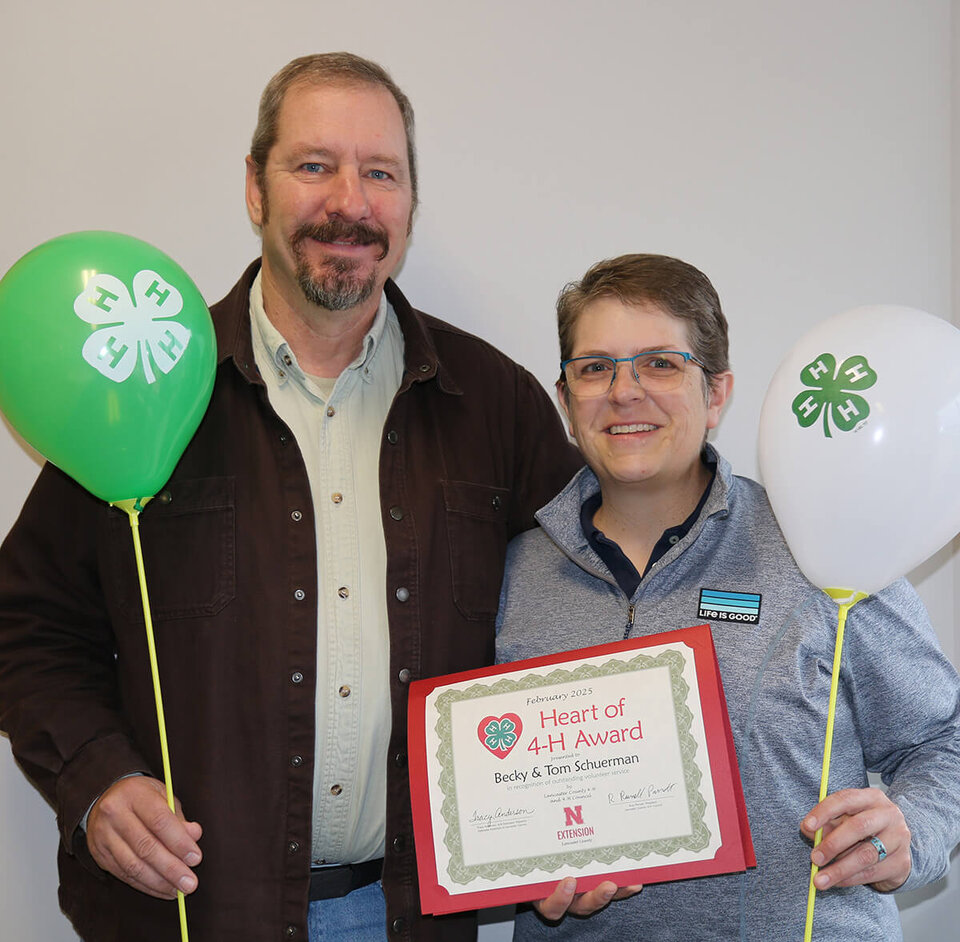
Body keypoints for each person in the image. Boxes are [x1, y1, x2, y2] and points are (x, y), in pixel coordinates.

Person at [0, 54, 581, 942]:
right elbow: (27, 622)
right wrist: (96, 779)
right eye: (313, 165)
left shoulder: (494, 404)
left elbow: (590, 607)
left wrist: (583, 811)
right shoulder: (146, 390)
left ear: (410, 202)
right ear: (254, 187)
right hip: (196, 916)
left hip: (410, 918)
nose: (349, 201)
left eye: (379, 172)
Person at [495, 253, 960, 940]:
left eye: (659, 362)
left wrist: (906, 833)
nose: (625, 392)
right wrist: (526, 879)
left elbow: (943, 741)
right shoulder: (514, 572)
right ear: (566, 402)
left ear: (716, 393)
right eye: (595, 368)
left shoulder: (818, 540)